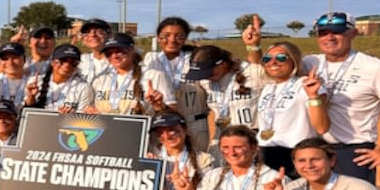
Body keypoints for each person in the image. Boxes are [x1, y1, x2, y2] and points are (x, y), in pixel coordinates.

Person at [301, 12, 380, 185]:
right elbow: (269, 69)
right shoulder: (310, 62)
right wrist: (254, 46)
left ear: (353, 33)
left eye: (337, 31)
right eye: (323, 32)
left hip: (352, 153)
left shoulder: (376, 68)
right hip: (313, 149)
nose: (329, 37)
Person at [255, 41, 329, 178]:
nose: (273, 62)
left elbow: (321, 127)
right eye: (267, 59)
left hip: (296, 153)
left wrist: (313, 96)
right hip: (266, 152)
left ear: (294, 60)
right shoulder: (267, 89)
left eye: (281, 58)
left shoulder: (305, 84)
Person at [183, 44, 266, 159]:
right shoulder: (205, 83)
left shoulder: (252, 72)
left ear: (222, 64)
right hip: (222, 141)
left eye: (208, 73)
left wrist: (254, 46)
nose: (206, 77)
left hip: (251, 140)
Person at [144, 17, 210, 150]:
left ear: (185, 38)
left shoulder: (195, 60)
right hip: (163, 127)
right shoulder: (151, 60)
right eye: (166, 36)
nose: (172, 40)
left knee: (199, 166)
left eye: (179, 36)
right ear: (157, 38)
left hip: (195, 125)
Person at [85, 32, 172, 115]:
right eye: (109, 53)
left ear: (132, 50)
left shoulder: (154, 76)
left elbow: (174, 114)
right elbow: (90, 109)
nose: (114, 56)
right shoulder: (100, 80)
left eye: (119, 51)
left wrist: (160, 106)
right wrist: (89, 111)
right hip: (107, 129)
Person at [25, 44, 95, 113]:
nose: (67, 65)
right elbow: (26, 113)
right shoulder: (35, 82)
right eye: (62, 61)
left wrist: (70, 115)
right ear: (52, 62)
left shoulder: (83, 88)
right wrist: (31, 97)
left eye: (73, 62)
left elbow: (82, 118)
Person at [0, 42, 33, 113]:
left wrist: (31, 98)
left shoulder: (32, 82)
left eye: (15, 58)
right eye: (5, 59)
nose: (10, 62)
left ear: (24, 59)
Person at [76, 18, 113, 83]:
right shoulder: (80, 61)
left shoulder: (119, 60)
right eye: (87, 32)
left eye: (99, 31)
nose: (92, 35)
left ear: (109, 36)